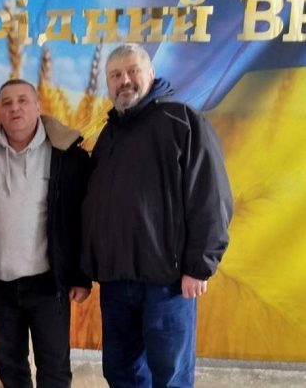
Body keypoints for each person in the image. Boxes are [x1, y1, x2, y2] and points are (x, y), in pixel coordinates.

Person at [81, 44, 233, 387]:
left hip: (168, 283)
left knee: (170, 376)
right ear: (108, 83)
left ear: (150, 73)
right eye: (115, 75)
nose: (124, 80)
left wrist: (200, 265)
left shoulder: (183, 121)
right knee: (120, 372)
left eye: (132, 71)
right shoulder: (108, 135)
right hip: (116, 283)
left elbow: (211, 197)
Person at [0, 79, 92, 387]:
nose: (15, 108)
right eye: (6, 103)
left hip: (49, 283)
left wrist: (80, 276)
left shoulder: (68, 156)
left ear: (38, 107)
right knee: (10, 370)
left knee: (54, 370)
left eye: (23, 101)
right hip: (0, 285)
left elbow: (81, 219)